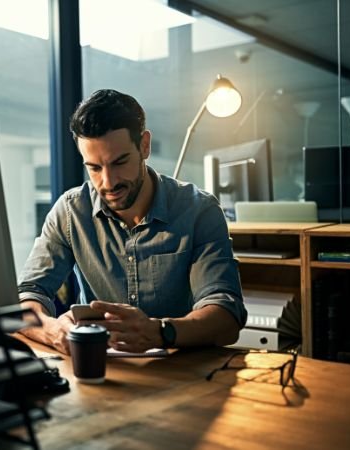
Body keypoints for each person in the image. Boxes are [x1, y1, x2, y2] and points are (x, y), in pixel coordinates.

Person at [18, 89, 246, 355]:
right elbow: (27, 296)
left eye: (119, 162)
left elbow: (226, 318)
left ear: (144, 146)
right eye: (94, 167)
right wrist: (53, 330)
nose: (108, 182)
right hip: (101, 373)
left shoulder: (198, 210)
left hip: (182, 372)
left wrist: (160, 332)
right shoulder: (70, 211)